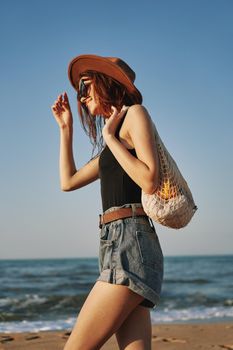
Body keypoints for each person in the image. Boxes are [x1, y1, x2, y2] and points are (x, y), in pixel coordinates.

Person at [51, 54, 164, 350]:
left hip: (130, 242)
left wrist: (109, 137)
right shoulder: (112, 139)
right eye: (79, 90)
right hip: (118, 243)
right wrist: (66, 129)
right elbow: (68, 182)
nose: (81, 96)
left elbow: (150, 179)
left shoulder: (135, 115)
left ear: (106, 83)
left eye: (85, 86)